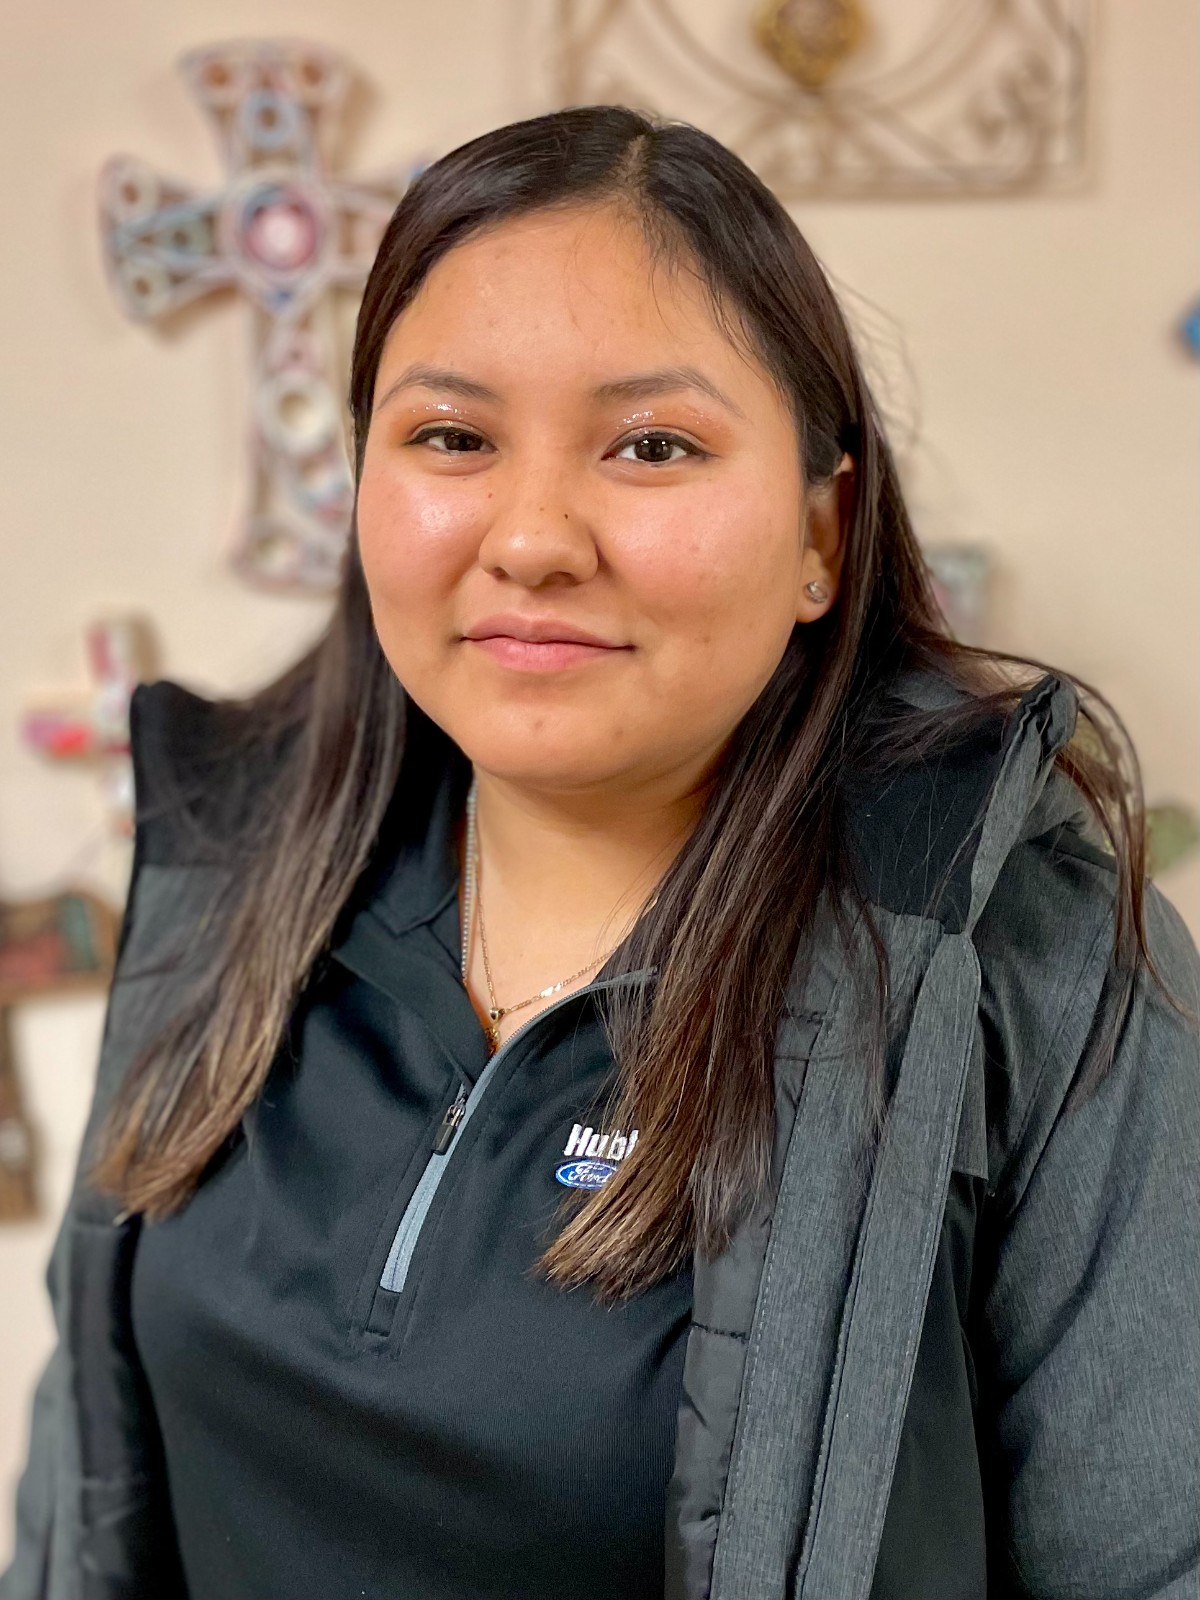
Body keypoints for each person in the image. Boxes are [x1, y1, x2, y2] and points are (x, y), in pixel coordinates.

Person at [3, 104, 1198, 1600]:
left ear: (824, 536)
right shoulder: (229, 879)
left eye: (652, 445)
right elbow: (75, 1520)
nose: (533, 538)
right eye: (452, 437)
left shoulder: (1027, 958)